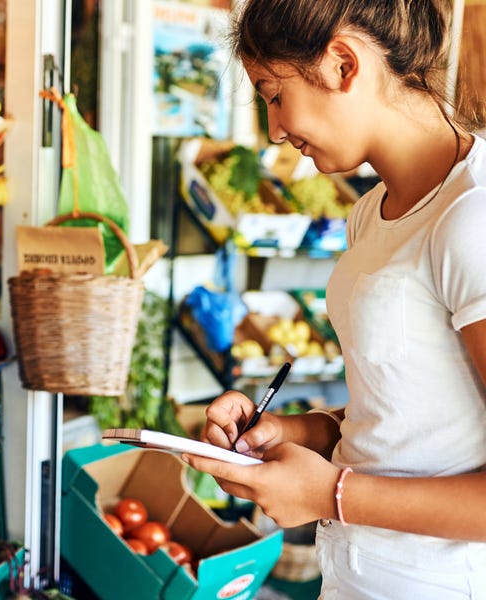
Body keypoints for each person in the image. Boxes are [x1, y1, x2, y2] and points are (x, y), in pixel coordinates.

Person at [181, 1, 486, 597]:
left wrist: (327, 493)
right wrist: (298, 434)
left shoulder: (471, 219)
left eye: (273, 94)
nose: (273, 129)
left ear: (344, 62)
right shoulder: (369, 215)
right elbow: (414, 417)